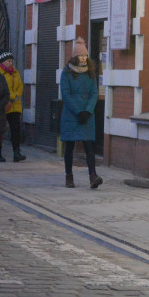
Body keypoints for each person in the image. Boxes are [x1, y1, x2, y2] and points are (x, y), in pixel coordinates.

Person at [60, 39, 101, 189]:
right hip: (71, 115)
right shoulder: (67, 72)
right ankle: (69, 177)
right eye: (81, 56)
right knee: (69, 147)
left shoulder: (90, 72)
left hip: (87, 115)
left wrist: (88, 111)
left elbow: (94, 94)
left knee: (89, 145)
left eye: (85, 55)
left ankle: (93, 176)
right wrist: (78, 111)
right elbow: (66, 95)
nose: (84, 58)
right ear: (75, 57)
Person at [0, 51, 26, 162]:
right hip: (3, 105)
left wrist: (17, 95)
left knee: (15, 130)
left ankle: (16, 152)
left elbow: (20, 86)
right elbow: (0, 88)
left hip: (15, 105)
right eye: (8, 61)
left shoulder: (15, 72)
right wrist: (12, 96)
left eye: (11, 61)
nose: (11, 63)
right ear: (3, 62)